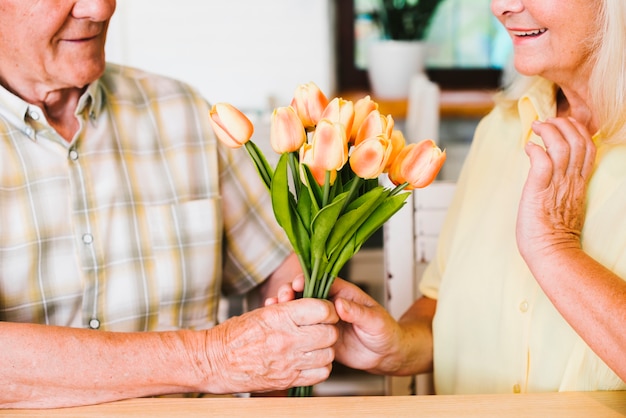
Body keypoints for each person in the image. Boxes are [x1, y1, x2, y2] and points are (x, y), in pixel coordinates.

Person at [272, 0, 626, 393]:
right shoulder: (502, 128)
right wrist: (394, 345)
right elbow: (442, 308)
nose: (501, 6)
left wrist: (553, 248)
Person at [0, 0, 340, 409]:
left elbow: (282, 271)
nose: (100, 8)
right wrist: (212, 357)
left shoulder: (183, 110)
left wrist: (306, 312)